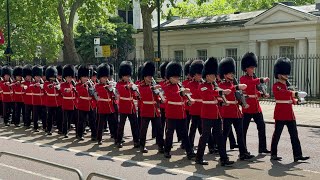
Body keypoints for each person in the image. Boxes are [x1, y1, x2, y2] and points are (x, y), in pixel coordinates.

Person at [195, 57, 234, 166]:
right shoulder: (202, 86)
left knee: (220, 138)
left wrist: (222, 103)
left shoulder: (214, 86)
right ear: (207, 76)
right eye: (212, 75)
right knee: (205, 137)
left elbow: (216, 99)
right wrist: (221, 92)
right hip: (207, 115)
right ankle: (199, 158)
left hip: (216, 116)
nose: (214, 77)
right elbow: (209, 95)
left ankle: (223, 159)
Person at [270, 57, 310, 162]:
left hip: (289, 114)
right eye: (285, 73)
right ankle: (273, 154)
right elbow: (283, 94)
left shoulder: (287, 87)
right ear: (279, 74)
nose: (287, 75)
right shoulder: (276, 86)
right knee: (277, 135)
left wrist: (298, 101)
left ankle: (298, 155)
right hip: (280, 114)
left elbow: (290, 99)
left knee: (294, 136)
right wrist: (295, 93)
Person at [218, 57, 254, 160]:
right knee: (224, 136)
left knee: (240, 134)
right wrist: (237, 87)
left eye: (232, 73)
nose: (232, 75)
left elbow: (237, 97)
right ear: (224, 74)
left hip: (237, 113)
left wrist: (243, 101)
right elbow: (228, 91)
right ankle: (222, 156)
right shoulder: (221, 85)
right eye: (229, 74)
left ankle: (243, 153)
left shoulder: (233, 84)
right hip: (227, 113)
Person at [163, 61, 196, 159]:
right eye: (175, 77)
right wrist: (181, 93)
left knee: (184, 134)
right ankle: (167, 151)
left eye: (178, 77)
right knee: (170, 133)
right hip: (172, 113)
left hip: (181, 113)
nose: (177, 79)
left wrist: (188, 102)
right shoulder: (167, 86)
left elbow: (183, 99)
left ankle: (189, 152)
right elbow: (172, 96)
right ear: (170, 77)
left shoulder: (179, 86)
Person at [240, 52, 271, 154]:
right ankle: (243, 150)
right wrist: (261, 79)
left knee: (262, 127)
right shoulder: (243, 79)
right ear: (246, 68)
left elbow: (255, 91)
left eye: (253, 68)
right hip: (247, 107)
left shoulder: (253, 79)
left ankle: (262, 148)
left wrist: (262, 94)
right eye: (251, 68)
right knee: (244, 130)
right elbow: (250, 84)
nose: (253, 70)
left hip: (256, 107)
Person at [138, 61, 164, 153]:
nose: (150, 78)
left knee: (159, 129)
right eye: (149, 76)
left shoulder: (154, 85)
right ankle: (142, 146)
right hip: (146, 109)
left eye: (151, 76)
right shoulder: (140, 86)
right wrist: (152, 89)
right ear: (144, 77)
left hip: (155, 110)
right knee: (143, 129)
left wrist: (160, 96)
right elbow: (143, 93)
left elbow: (158, 97)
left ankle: (161, 146)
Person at [115, 61, 140, 148]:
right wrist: (127, 87)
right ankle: (119, 140)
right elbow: (121, 90)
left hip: (131, 107)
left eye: (129, 76)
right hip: (123, 106)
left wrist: (136, 92)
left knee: (135, 125)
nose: (128, 77)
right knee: (121, 125)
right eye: (126, 76)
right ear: (122, 76)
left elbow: (135, 95)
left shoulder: (131, 84)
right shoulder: (119, 84)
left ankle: (136, 141)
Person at [95, 63, 118, 145]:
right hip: (102, 106)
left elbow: (115, 96)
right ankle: (99, 138)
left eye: (106, 77)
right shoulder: (97, 86)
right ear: (100, 78)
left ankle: (116, 138)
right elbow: (100, 90)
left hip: (110, 106)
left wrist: (113, 90)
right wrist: (108, 87)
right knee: (100, 124)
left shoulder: (109, 85)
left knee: (114, 123)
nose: (105, 79)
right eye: (103, 77)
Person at [75, 65, 97, 141]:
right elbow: (79, 91)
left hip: (91, 104)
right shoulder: (78, 85)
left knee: (92, 120)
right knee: (81, 121)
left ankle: (94, 135)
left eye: (87, 76)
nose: (86, 78)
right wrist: (85, 85)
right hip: (82, 104)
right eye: (84, 77)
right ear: (80, 77)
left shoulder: (91, 84)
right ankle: (79, 134)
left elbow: (94, 94)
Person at [187, 60, 204, 148]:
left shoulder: (203, 84)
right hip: (195, 108)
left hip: (202, 108)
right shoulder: (190, 84)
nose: (200, 76)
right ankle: (190, 144)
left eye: (201, 74)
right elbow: (194, 93)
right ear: (194, 75)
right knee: (193, 128)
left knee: (203, 129)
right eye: (199, 74)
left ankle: (211, 145)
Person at [60, 64, 77, 138]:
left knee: (70, 119)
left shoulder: (73, 84)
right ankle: (65, 132)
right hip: (66, 103)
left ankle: (68, 129)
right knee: (65, 119)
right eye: (68, 77)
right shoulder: (63, 84)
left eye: (70, 77)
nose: (69, 79)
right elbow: (64, 91)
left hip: (72, 103)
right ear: (65, 77)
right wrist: (70, 89)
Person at [44, 66, 60, 135]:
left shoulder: (57, 83)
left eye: (53, 77)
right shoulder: (46, 84)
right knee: (49, 117)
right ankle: (49, 129)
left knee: (58, 117)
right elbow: (46, 89)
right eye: (51, 77)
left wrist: (58, 87)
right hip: (50, 102)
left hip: (57, 103)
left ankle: (60, 129)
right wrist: (52, 86)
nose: (52, 79)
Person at [30, 66, 44, 132]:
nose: (38, 78)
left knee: (43, 114)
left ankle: (44, 126)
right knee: (35, 115)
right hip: (35, 101)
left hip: (42, 102)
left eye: (39, 76)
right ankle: (35, 127)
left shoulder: (43, 83)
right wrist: (35, 85)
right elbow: (30, 87)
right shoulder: (32, 83)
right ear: (34, 77)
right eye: (37, 76)